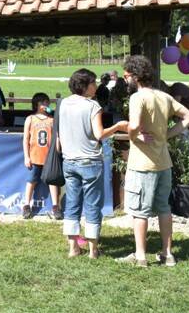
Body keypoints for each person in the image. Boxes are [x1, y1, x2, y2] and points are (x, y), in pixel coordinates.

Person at [115, 56, 189, 268]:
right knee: (163, 208)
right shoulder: (164, 97)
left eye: (126, 76)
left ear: (136, 76)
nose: (125, 81)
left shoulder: (137, 98)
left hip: (142, 164)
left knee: (140, 211)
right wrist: (167, 134)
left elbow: (133, 125)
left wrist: (133, 134)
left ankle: (140, 256)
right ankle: (168, 254)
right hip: (164, 163)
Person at [59, 68, 121, 259]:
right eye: (93, 83)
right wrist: (118, 126)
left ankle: (73, 247)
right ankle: (93, 249)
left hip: (69, 160)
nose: (96, 86)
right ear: (85, 86)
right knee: (93, 205)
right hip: (90, 161)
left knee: (72, 203)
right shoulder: (92, 106)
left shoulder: (63, 103)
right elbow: (99, 134)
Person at [22, 92, 61, 220]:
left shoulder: (52, 120)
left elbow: (56, 137)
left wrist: (57, 151)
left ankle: (55, 206)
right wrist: (26, 157)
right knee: (31, 180)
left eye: (47, 102)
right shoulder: (30, 119)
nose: (46, 105)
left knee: (53, 181)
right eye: (44, 102)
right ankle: (27, 205)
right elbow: (26, 139)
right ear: (37, 104)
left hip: (49, 157)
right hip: (34, 156)